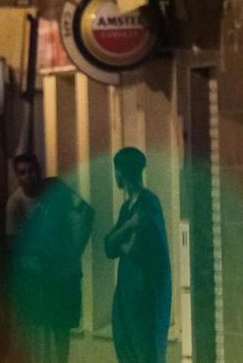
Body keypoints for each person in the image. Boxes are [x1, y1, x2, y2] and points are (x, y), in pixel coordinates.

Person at [7, 154, 94, 363]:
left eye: (32, 170)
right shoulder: (15, 203)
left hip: (64, 273)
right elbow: (13, 245)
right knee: (39, 329)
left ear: (39, 170)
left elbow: (86, 212)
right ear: (17, 177)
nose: (29, 176)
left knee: (62, 327)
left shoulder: (55, 187)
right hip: (38, 275)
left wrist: (76, 250)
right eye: (23, 173)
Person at [104, 147, 172, 363]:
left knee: (145, 353)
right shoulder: (127, 208)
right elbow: (109, 247)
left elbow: (138, 249)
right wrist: (128, 227)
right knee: (127, 351)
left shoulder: (148, 203)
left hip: (143, 295)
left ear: (121, 172)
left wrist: (122, 241)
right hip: (126, 293)